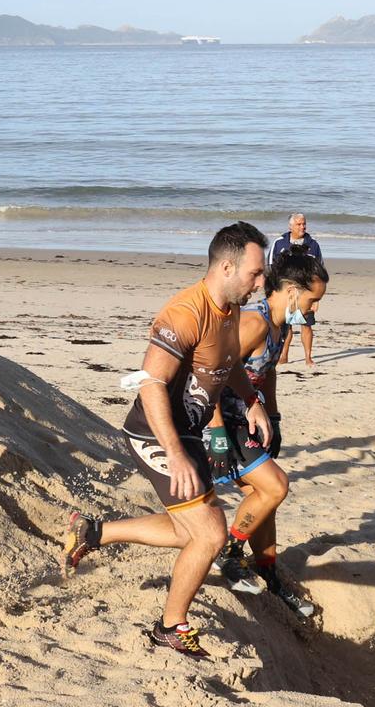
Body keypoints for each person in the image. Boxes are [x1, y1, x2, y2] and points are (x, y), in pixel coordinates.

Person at [60, 222, 270, 659]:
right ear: (227, 267)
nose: (261, 282)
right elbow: (150, 383)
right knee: (210, 535)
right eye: (255, 273)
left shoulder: (230, 310)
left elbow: (225, 362)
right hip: (156, 433)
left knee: (187, 531)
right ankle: (169, 627)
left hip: (188, 432)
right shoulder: (184, 313)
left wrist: (251, 400)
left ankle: (93, 532)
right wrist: (174, 454)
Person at [209, 247, 326, 618]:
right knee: (276, 485)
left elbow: (268, 371)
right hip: (218, 420)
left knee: (264, 499)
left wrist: (273, 417)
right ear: (291, 290)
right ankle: (227, 553)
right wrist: (215, 432)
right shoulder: (254, 323)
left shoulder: (279, 326)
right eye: (312, 300)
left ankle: (268, 572)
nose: (315, 309)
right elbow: (211, 370)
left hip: (245, 418)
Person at [270, 214, 328, 369]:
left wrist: (316, 300)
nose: (303, 227)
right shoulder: (279, 243)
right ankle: (284, 355)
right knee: (285, 326)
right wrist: (274, 292)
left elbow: (320, 272)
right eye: (299, 224)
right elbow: (272, 268)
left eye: (304, 224)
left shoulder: (313, 245)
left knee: (306, 325)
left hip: (306, 293)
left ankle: (308, 358)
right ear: (291, 226)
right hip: (285, 292)